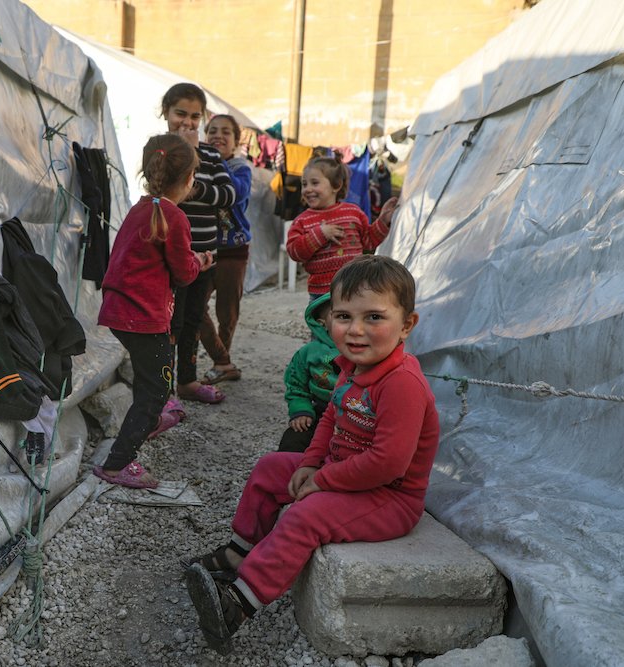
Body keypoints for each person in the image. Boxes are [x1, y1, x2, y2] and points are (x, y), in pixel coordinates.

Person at [183, 255, 440, 654]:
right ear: (326, 320)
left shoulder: (401, 383)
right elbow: (329, 421)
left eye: (374, 317)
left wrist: (322, 480)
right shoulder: (352, 367)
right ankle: (239, 552)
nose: (355, 330)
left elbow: (388, 463)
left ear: (407, 325)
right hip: (344, 473)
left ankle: (237, 605)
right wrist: (308, 463)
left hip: (389, 498)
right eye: (343, 316)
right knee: (271, 469)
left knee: (307, 515)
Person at [95, 134, 214, 489]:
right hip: (144, 316)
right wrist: (200, 261)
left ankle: (147, 420)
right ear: (190, 178)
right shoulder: (173, 217)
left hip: (121, 311)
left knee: (152, 380)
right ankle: (118, 463)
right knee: (155, 391)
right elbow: (182, 272)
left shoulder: (140, 208)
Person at [161, 83, 237, 404]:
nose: (187, 122)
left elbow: (229, 195)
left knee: (193, 319)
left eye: (194, 116)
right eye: (180, 113)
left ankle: (187, 381)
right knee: (168, 323)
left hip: (204, 256)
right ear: (165, 113)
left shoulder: (210, 154)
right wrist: (184, 155)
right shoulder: (158, 149)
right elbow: (161, 190)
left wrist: (196, 187)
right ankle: (161, 389)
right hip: (169, 257)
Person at [285, 153, 399, 300]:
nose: (307, 189)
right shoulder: (302, 221)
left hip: (355, 287)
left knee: (352, 322)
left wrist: (383, 221)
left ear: (336, 185)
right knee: (326, 323)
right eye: (304, 184)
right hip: (322, 292)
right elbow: (295, 252)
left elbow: (369, 241)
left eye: (314, 183)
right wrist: (320, 234)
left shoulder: (353, 213)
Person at [198, 114, 252, 386]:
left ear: (235, 141)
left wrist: (216, 162)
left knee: (227, 313)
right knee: (195, 309)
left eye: (225, 132)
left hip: (233, 250)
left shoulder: (241, 167)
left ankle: (223, 359)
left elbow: (237, 192)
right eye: (212, 131)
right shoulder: (198, 164)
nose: (218, 136)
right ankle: (222, 359)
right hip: (205, 249)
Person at [277, 292, 338, 453]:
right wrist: (301, 410)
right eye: (341, 316)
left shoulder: (367, 350)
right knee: (293, 441)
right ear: (322, 323)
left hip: (358, 415)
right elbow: (296, 385)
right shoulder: (309, 353)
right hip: (320, 410)